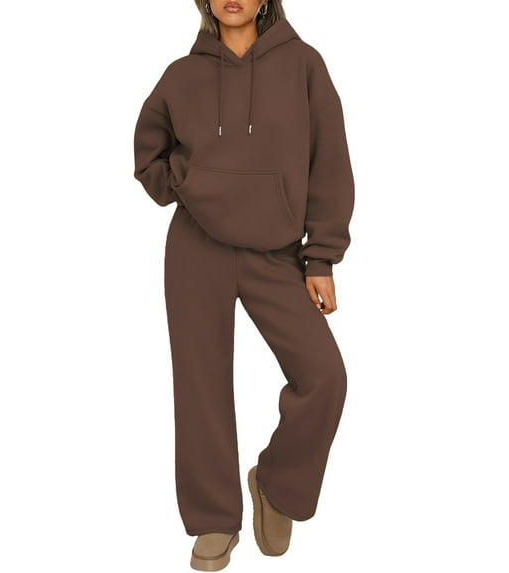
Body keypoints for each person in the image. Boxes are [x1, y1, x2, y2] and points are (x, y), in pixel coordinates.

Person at [132, 0, 355, 569]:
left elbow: (329, 161)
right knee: (200, 386)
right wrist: (186, 182)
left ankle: (277, 484)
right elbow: (148, 155)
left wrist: (321, 257)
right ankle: (213, 519)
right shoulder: (182, 75)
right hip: (196, 247)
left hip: (276, 251)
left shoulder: (304, 65)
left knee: (324, 377)